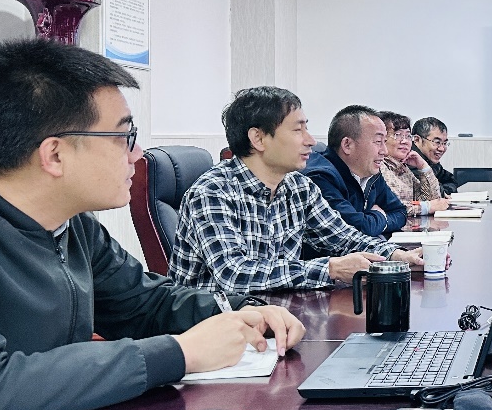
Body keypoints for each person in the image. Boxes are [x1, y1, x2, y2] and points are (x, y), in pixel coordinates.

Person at [0, 39, 304, 410]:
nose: (137, 156)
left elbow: (142, 303)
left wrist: (238, 311)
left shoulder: (73, 225)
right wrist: (178, 353)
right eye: (124, 137)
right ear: (55, 155)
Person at [169, 87, 423, 293]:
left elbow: (343, 238)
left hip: (277, 314)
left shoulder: (299, 187)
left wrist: (395, 255)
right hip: (217, 326)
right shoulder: (213, 192)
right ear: (258, 138)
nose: (310, 140)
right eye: (297, 130)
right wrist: (330, 269)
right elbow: (234, 275)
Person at [303, 105, 408, 237]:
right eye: (378, 141)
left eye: (384, 141)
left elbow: (400, 212)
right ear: (347, 145)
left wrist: (373, 220)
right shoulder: (320, 177)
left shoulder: (370, 173)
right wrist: (379, 216)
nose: (385, 151)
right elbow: (354, 228)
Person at [378, 111, 449, 217]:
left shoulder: (402, 167)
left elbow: (433, 200)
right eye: (398, 135)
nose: (405, 141)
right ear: (381, 138)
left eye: (407, 136)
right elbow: (391, 209)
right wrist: (427, 207)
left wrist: (423, 167)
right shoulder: (378, 167)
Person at [413, 116, 457, 196]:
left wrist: (443, 192)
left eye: (444, 143)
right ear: (417, 140)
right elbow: (429, 193)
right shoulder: (410, 161)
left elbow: (450, 180)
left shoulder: (431, 160)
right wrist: (442, 193)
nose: (442, 149)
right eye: (437, 142)